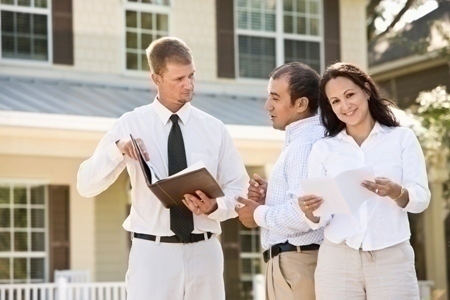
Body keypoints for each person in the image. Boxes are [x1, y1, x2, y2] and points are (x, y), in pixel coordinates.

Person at [77, 37, 249, 300]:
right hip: (152, 256)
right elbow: (86, 185)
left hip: (205, 254)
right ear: (156, 78)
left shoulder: (214, 129)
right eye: (178, 79)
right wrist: (117, 149)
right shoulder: (130, 124)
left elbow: (240, 188)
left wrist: (216, 207)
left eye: (191, 76)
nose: (188, 85)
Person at [299, 62, 430, 299]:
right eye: (335, 101)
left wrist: (396, 192)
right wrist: (310, 211)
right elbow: (319, 219)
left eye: (350, 95)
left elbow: (421, 199)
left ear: (367, 90)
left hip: (391, 256)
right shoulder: (323, 149)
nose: (345, 105)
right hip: (338, 259)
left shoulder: (402, 138)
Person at [236, 62, 325, 300]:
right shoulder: (303, 139)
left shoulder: (303, 145)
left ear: (301, 104)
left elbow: (304, 214)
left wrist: (257, 213)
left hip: (296, 266)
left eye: (275, 98)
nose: (267, 106)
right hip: (294, 265)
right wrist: (272, 195)